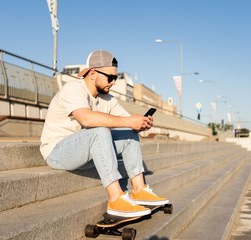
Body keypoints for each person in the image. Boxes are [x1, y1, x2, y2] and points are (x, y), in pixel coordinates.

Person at [40, 49, 169, 218]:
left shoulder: (108, 99)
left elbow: (127, 122)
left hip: (85, 152)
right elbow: (86, 119)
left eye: (115, 78)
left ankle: (139, 190)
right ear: (93, 73)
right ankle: (116, 199)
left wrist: (140, 124)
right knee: (99, 131)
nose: (113, 82)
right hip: (57, 152)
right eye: (110, 77)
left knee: (129, 135)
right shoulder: (73, 89)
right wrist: (129, 122)